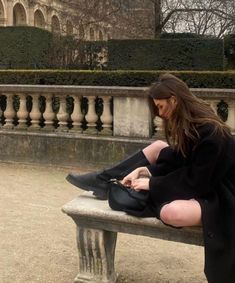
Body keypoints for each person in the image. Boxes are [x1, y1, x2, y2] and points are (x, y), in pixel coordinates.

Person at [66, 74, 235, 283]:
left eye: (161, 107)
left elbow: (197, 181)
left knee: (170, 212)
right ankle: (103, 179)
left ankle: (141, 194)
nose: (160, 114)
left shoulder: (210, 131)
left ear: (174, 100)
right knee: (157, 147)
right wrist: (146, 171)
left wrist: (152, 183)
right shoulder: (190, 123)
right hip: (200, 181)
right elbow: (181, 159)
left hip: (222, 193)